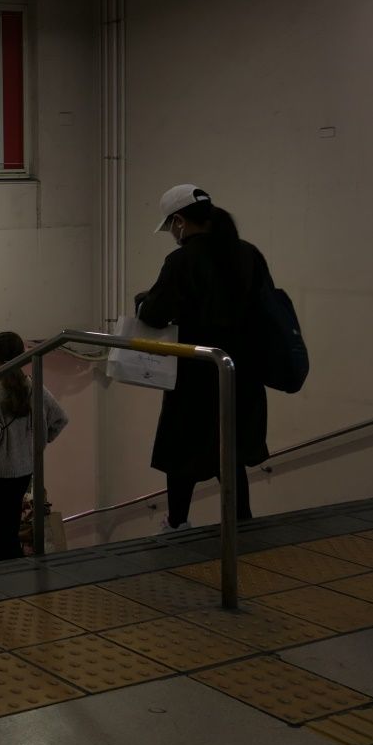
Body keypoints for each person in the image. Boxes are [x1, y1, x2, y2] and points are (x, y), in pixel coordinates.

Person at [136, 185, 270, 529]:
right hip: (243, 374)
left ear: (180, 221)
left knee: (182, 456)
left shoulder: (182, 260)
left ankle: (177, 525)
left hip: (196, 376)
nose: (172, 235)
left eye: (170, 227)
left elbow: (153, 314)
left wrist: (142, 300)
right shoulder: (248, 254)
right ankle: (242, 526)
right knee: (231, 453)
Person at [0, 331, 69, 561]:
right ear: (23, 353)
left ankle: (2, 577)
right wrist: (39, 442)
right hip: (25, 470)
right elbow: (60, 419)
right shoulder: (35, 387)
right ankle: (16, 574)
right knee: (12, 525)